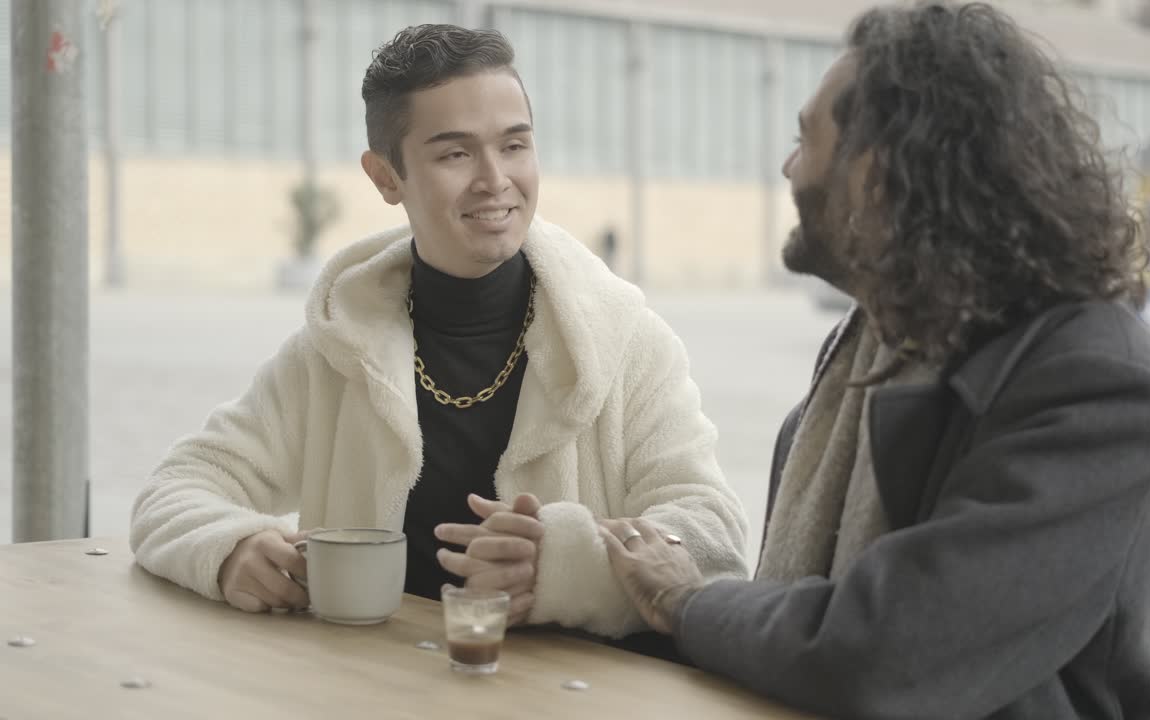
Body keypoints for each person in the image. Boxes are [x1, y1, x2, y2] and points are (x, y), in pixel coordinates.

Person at [598, 3, 1150, 718]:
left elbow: (887, 649)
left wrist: (690, 598)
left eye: (804, 140)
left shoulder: (1099, 383)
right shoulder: (870, 350)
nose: (787, 168)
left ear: (874, 175)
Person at [129, 24, 749, 641]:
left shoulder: (625, 342)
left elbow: (711, 531)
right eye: (455, 153)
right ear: (384, 177)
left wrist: (569, 564)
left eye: (514, 146)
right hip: (371, 691)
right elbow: (177, 487)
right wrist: (232, 549)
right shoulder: (338, 350)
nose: (494, 179)